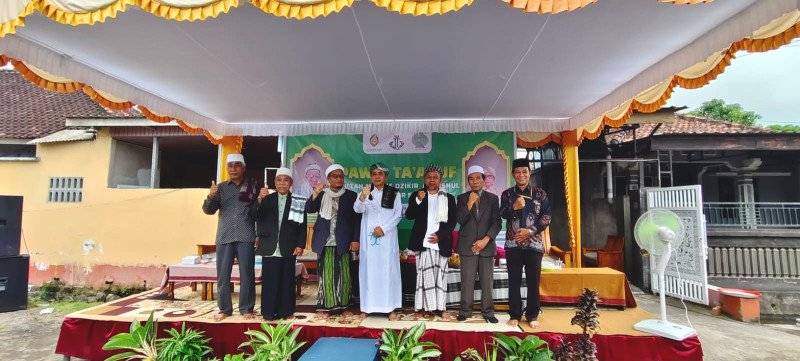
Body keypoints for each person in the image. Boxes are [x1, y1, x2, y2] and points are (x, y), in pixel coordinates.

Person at [202, 153, 258, 321]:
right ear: (227, 168)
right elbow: (208, 210)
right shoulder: (219, 188)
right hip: (225, 236)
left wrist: (259, 233)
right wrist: (211, 196)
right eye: (230, 165)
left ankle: (247, 308)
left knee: (247, 274)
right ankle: (225, 309)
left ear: (243, 168)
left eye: (237, 165)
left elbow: (257, 213)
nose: (233, 169)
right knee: (223, 275)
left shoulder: (252, 187)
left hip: (246, 235)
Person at [500, 158, 551, 328]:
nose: (521, 175)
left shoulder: (540, 194)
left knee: (533, 281)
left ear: (529, 173)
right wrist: (514, 207)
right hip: (513, 245)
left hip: (534, 244)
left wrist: (530, 231)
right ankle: (514, 313)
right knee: (513, 281)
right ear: (513, 174)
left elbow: (546, 217)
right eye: (517, 172)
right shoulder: (507, 194)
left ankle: (532, 314)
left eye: (524, 171)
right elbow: (502, 214)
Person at [305, 164, 361, 319]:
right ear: (328, 178)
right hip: (324, 240)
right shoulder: (322, 194)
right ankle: (326, 307)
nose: (339, 179)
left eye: (341, 176)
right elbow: (309, 208)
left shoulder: (351, 196)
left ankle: (344, 307)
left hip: (343, 240)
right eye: (335, 176)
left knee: (344, 276)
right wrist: (315, 192)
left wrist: (356, 239)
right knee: (326, 275)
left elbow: (357, 219)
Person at [251, 167, 306, 320]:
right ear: (275, 182)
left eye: (285, 180)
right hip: (270, 245)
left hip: (289, 246)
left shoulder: (298, 201)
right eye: (279, 180)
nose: (282, 183)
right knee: (269, 281)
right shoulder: (266, 199)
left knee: (287, 281)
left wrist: (300, 244)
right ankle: (268, 313)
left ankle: (286, 312)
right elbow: (253, 215)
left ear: (291, 183)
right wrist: (259, 200)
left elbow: (302, 225)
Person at [405, 164, 457, 321]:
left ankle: (441, 309)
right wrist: (418, 201)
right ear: (424, 179)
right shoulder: (418, 194)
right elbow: (409, 215)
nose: (432, 180)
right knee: (422, 279)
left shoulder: (448, 198)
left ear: (440, 180)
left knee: (440, 278)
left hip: (440, 244)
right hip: (423, 244)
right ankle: (421, 309)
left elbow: (452, 222)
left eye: (435, 177)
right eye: (429, 177)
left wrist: (440, 236)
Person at [354, 162, 403, 320]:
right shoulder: (365, 192)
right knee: (368, 272)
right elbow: (357, 209)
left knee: (388, 273)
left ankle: (390, 308)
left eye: (380, 174)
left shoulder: (394, 193)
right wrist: (362, 197)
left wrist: (384, 228)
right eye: (374, 174)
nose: (377, 176)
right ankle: (367, 307)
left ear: (385, 177)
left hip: (387, 239)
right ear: (370, 176)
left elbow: (398, 215)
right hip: (369, 241)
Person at [455, 165, 501, 323]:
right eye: (471, 178)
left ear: (484, 179)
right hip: (467, 245)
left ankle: (488, 312)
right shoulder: (462, 198)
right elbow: (460, 220)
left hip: (486, 246)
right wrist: (469, 203)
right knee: (467, 281)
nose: (474, 181)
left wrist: (485, 240)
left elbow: (497, 223)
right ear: (468, 181)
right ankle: (465, 310)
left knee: (487, 282)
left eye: (478, 178)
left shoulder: (493, 198)